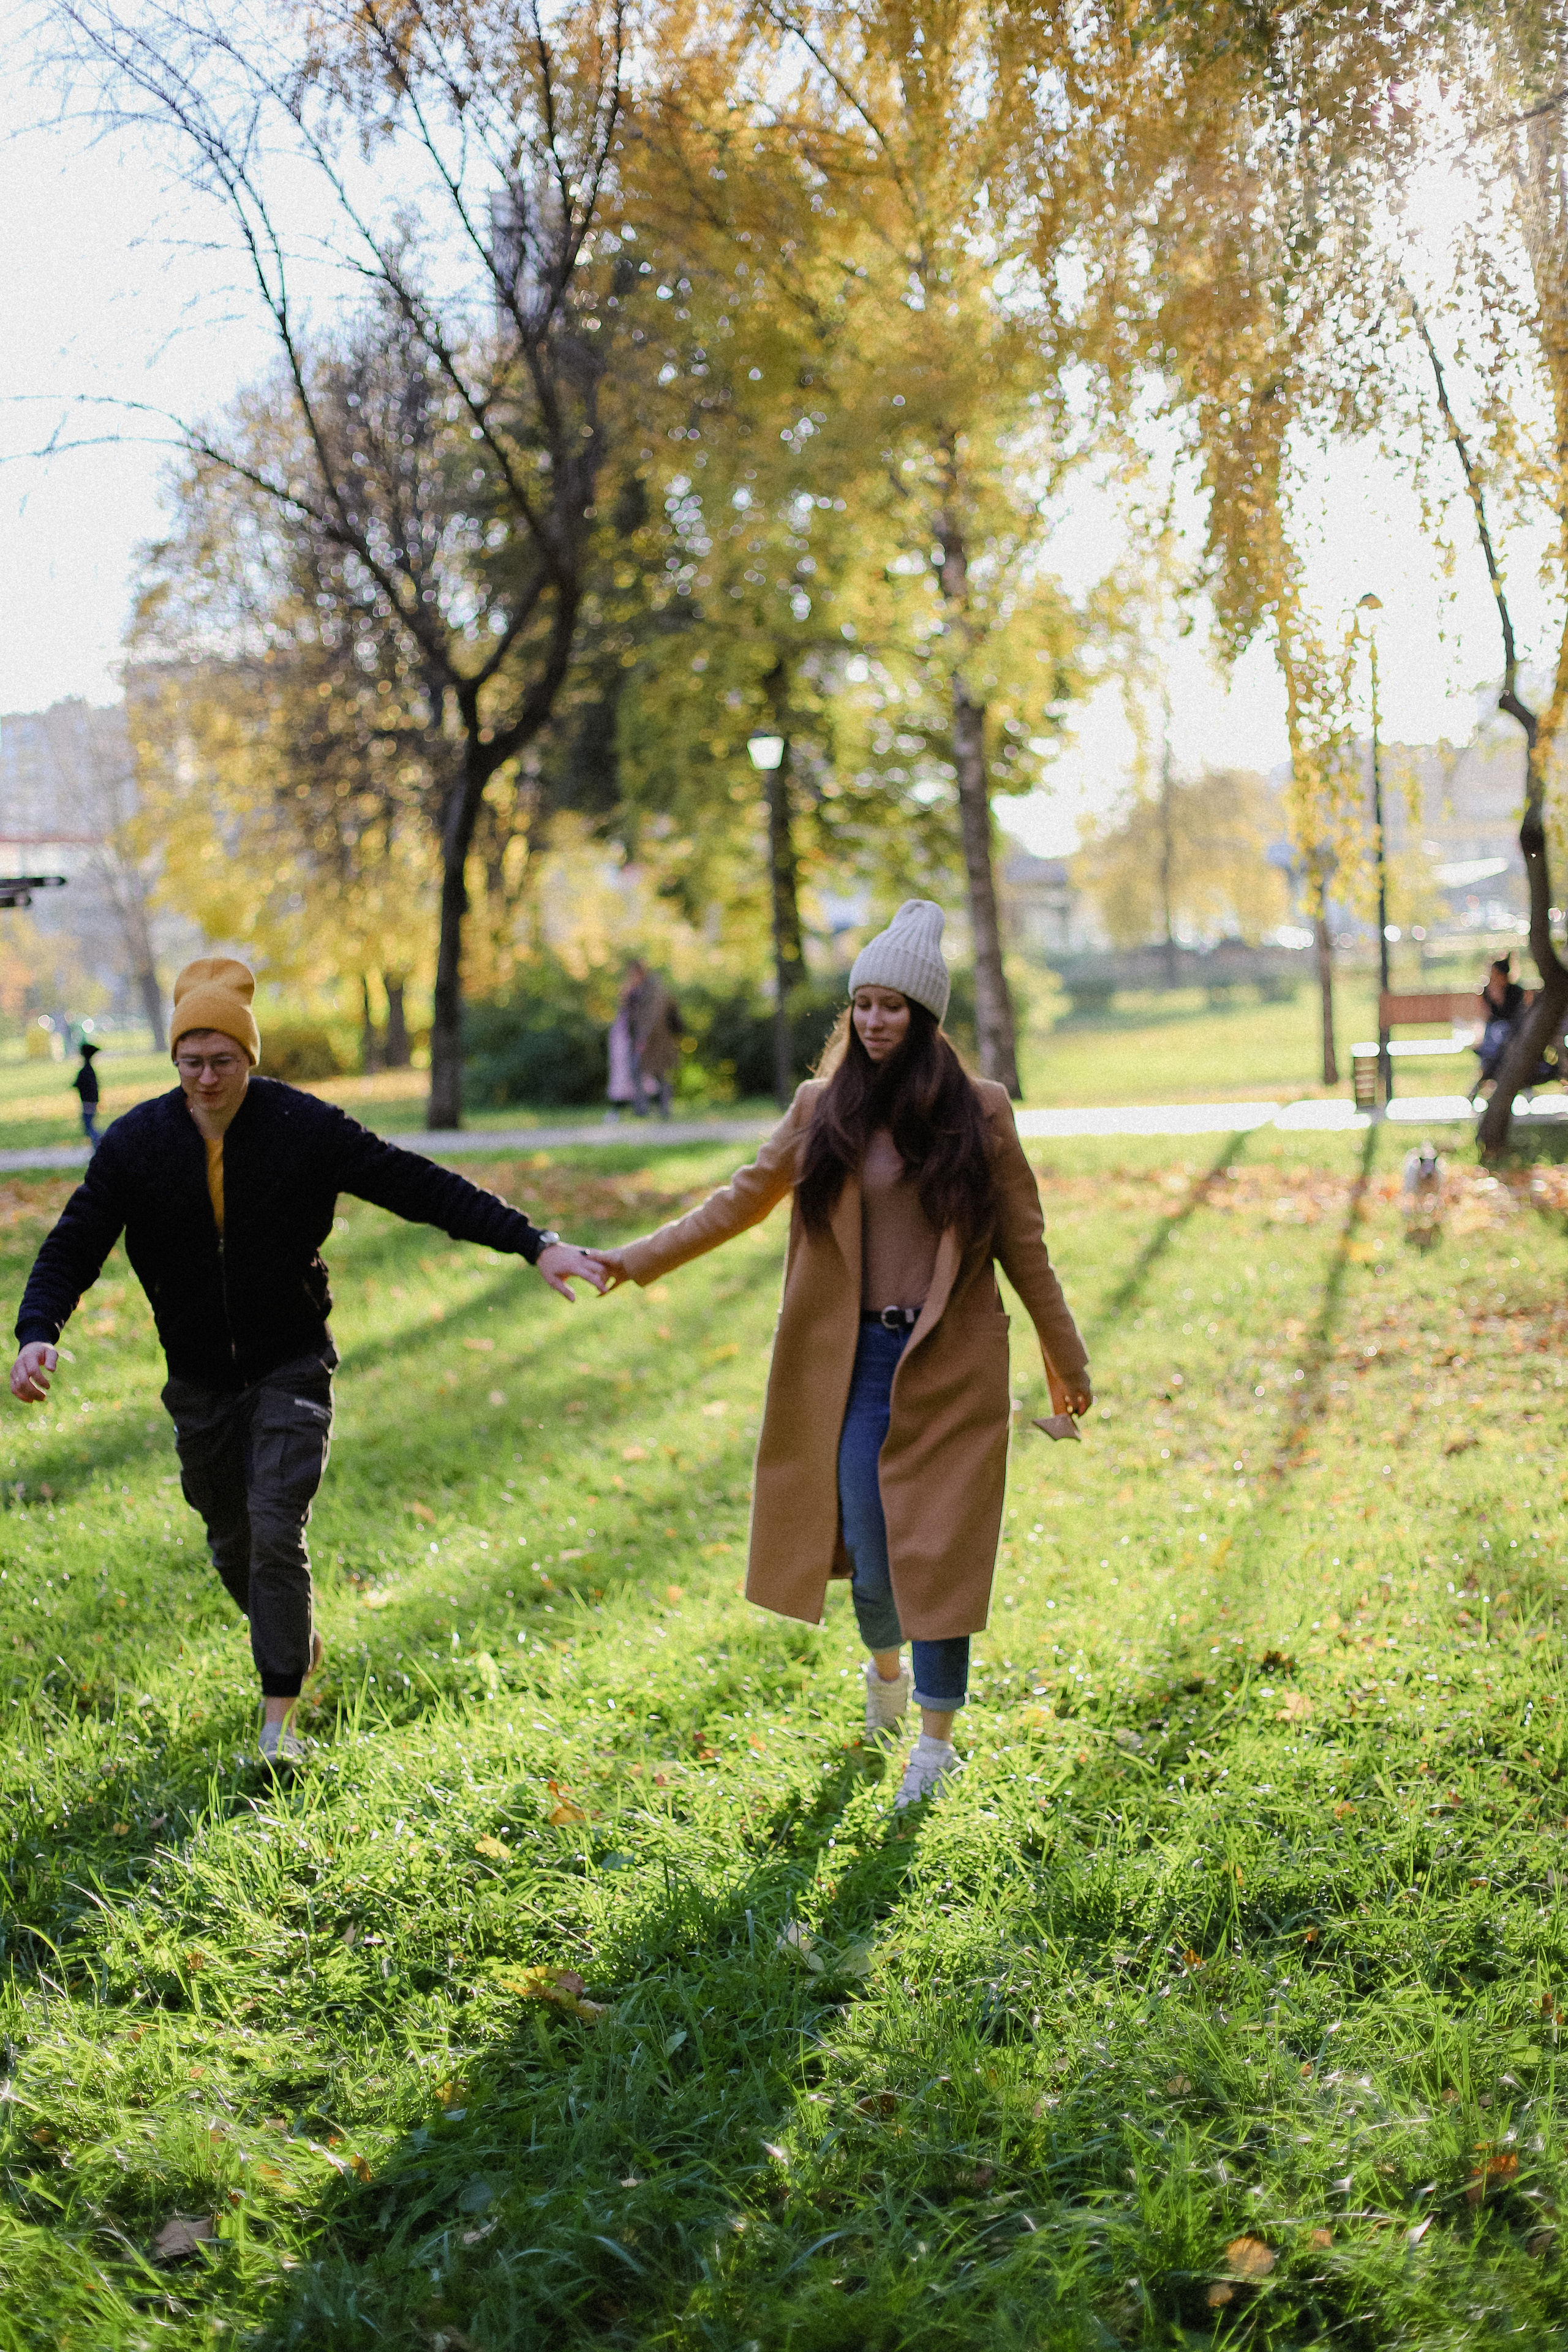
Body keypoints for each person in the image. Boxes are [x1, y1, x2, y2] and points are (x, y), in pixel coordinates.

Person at [9, 957, 607, 1766]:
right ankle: (291, 1638)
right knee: (233, 1546)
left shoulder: (304, 1128)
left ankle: (279, 1719)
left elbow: (416, 1185)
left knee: (274, 1523)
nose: (209, 1078)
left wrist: (531, 1242)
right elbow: (75, 1241)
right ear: (175, 1062)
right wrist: (37, 1328)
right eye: (193, 1063)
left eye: (225, 1062)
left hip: (290, 1363)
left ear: (250, 1059)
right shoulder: (137, 1144)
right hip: (198, 1382)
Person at [588, 901, 1092, 1808]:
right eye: (861, 1003)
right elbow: (737, 1201)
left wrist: (1070, 1362)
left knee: (936, 1553)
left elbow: (1026, 1246)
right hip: (856, 1366)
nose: (872, 1021)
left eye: (891, 1005)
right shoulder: (824, 1109)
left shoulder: (979, 1112)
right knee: (869, 1542)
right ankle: (887, 1672)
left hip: (949, 1366)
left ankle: (935, 1747)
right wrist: (634, 1259)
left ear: (925, 1014)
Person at [628, 964, 680, 1119]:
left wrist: (643, 1038)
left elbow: (651, 1019)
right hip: (653, 1040)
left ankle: (648, 1108)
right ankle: (655, 1108)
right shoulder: (645, 992)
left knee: (649, 1073)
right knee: (657, 1074)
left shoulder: (651, 993)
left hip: (653, 1041)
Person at [606, 965, 642, 1120]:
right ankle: (619, 1109)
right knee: (622, 1073)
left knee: (636, 1073)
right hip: (622, 1040)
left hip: (632, 1040)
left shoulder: (640, 996)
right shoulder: (624, 1013)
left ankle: (641, 1107)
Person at [72, 1038, 101, 1149]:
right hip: (91, 1101)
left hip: (87, 1102)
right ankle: (97, 1143)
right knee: (89, 1125)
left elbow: (79, 1084)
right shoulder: (90, 1070)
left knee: (88, 1126)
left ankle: (99, 1142)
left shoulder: (85, 1071)